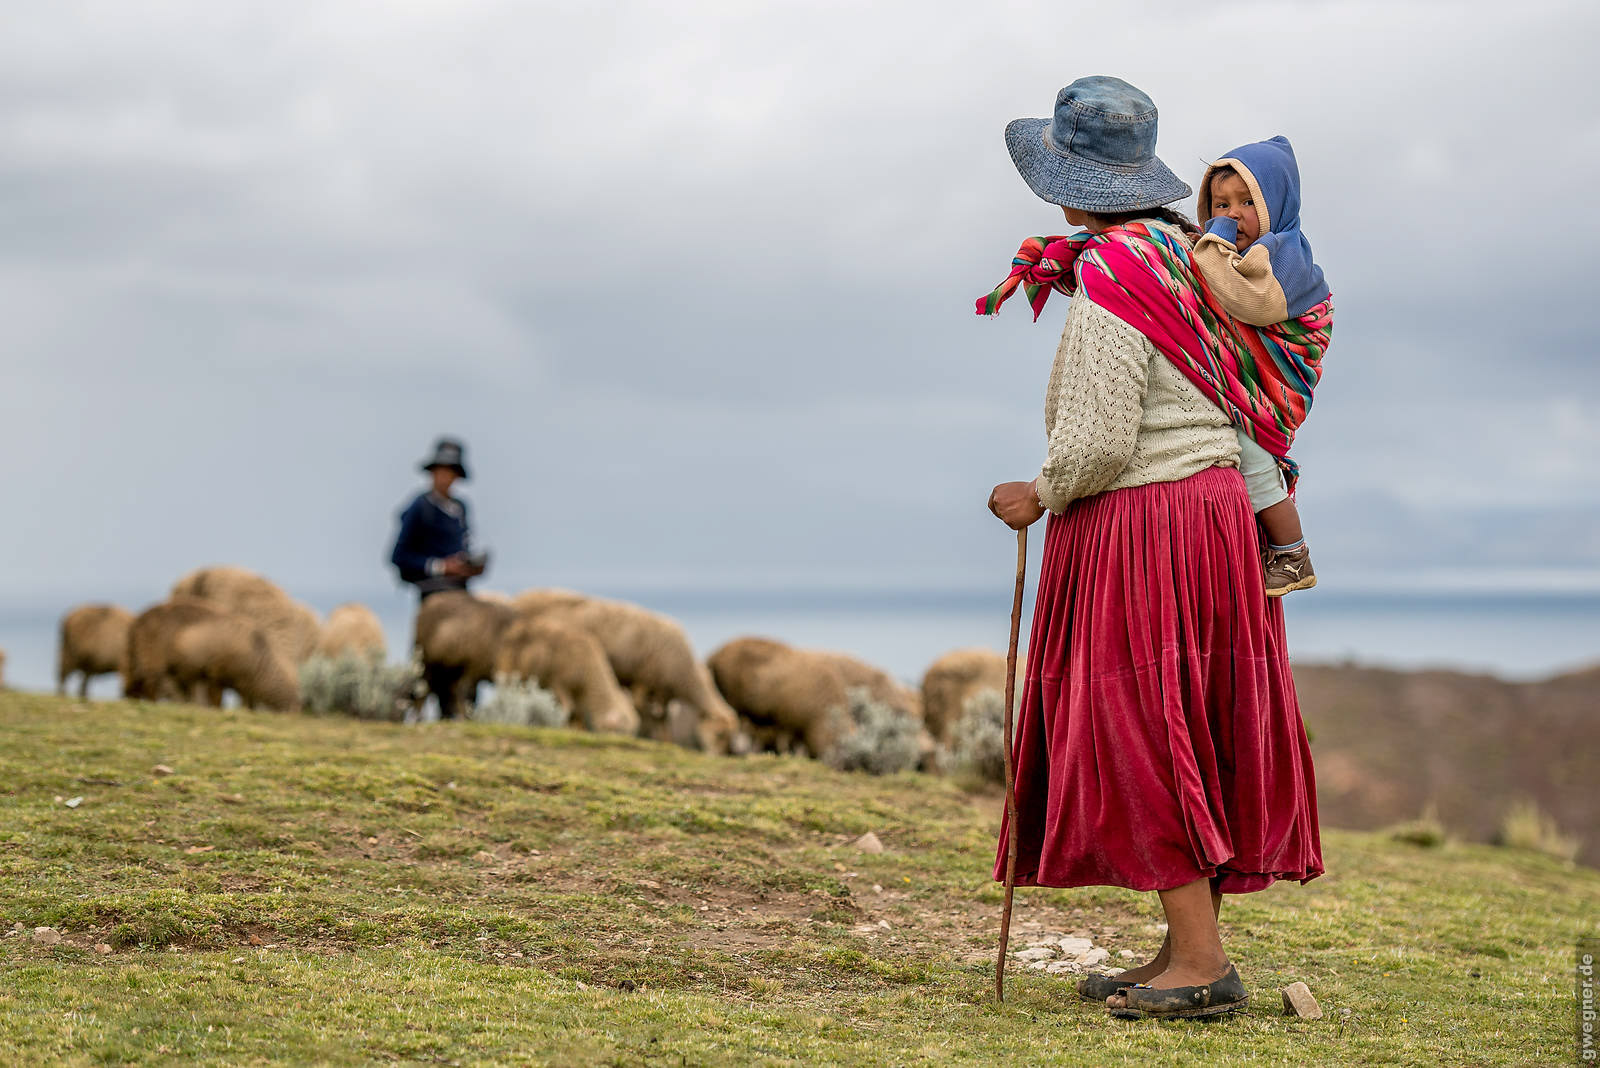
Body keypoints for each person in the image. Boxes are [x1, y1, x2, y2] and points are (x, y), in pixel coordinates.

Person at [976, 76, 1323, 1020]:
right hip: (1215, 518)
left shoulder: (1112, 274)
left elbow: (1096, 440)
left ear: (1069, 184)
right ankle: (1183, 947)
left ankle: (1202, 966)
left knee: (1143, 724)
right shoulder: (1189, 254)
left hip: (1147, 523)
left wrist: (1034, 493)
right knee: (1192, 717)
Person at [1192, 136, 1333, 596]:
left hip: (1281, 373)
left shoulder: (1285, 253)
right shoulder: (1245, 254)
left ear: (1277, 203)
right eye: (1220, 204)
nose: (1232, 214)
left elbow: (1250, 303)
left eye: (1247, 201)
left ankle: (1292, 552)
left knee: (1253, 457)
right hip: (1253, 374)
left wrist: (1211, 248)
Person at [389, 438, 487, 600]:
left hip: (459, 591)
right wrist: (441, 567)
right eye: (441, 470)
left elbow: (465, 544)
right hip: (433, 594)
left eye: (450, 472)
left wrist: (468, 566)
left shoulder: (460, 508)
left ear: (456, 476)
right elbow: (399, 556)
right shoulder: (420, 507)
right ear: (432, 472)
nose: (444, 477)